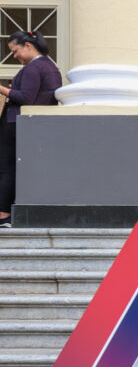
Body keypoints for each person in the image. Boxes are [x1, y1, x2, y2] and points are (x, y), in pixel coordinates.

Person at [0, 30, 62, 228]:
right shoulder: (50, 67)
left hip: (14, 123)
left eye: (15, 51)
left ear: (28, 46)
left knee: (6, 168)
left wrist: (3, 89)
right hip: (31, 124)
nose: (15, 56)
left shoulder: (33, 68)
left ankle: (3, 216)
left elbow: (26, 98)